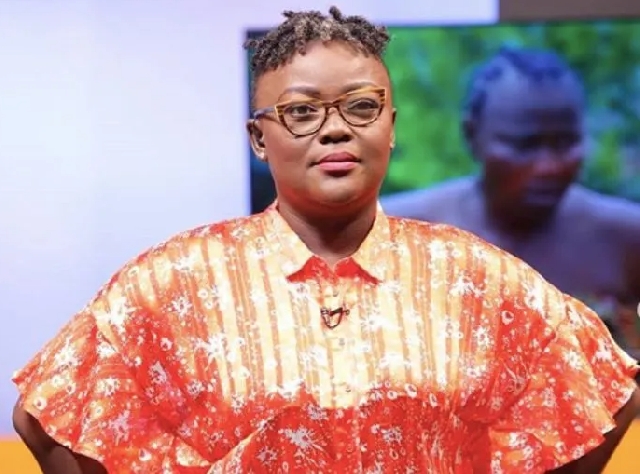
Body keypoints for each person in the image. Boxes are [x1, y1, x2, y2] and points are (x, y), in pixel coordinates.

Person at [11, 9, 640, 474]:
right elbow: (44, 416)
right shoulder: (176, 279)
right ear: (259, 139)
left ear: (390, 126)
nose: (335, 130)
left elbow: (607, 391)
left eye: (361, 107)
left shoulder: (476, 276)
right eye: (302, 111)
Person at [381, 47, 640, 359]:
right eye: (524, 144)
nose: (549, 166)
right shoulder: (394, 231)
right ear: (472, 135)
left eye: (566, 142)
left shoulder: (626, 239)